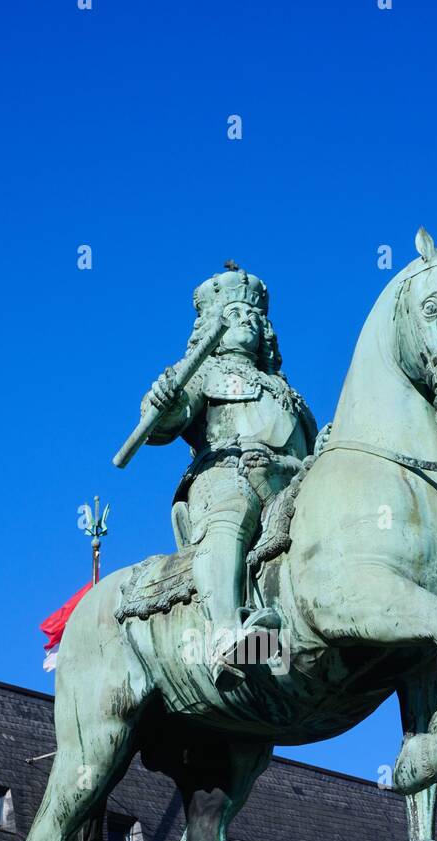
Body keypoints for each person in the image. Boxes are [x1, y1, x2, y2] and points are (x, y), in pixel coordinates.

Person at [142, 264, 317, 688]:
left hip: (288, 482)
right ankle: (225, 635)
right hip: (224, 474)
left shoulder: (288, 394)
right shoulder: (203, 373)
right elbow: (164, 425)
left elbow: (307, 454)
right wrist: (162, 401)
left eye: (254, 318)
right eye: (235, 316)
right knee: (232, 513)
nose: (247, 323)